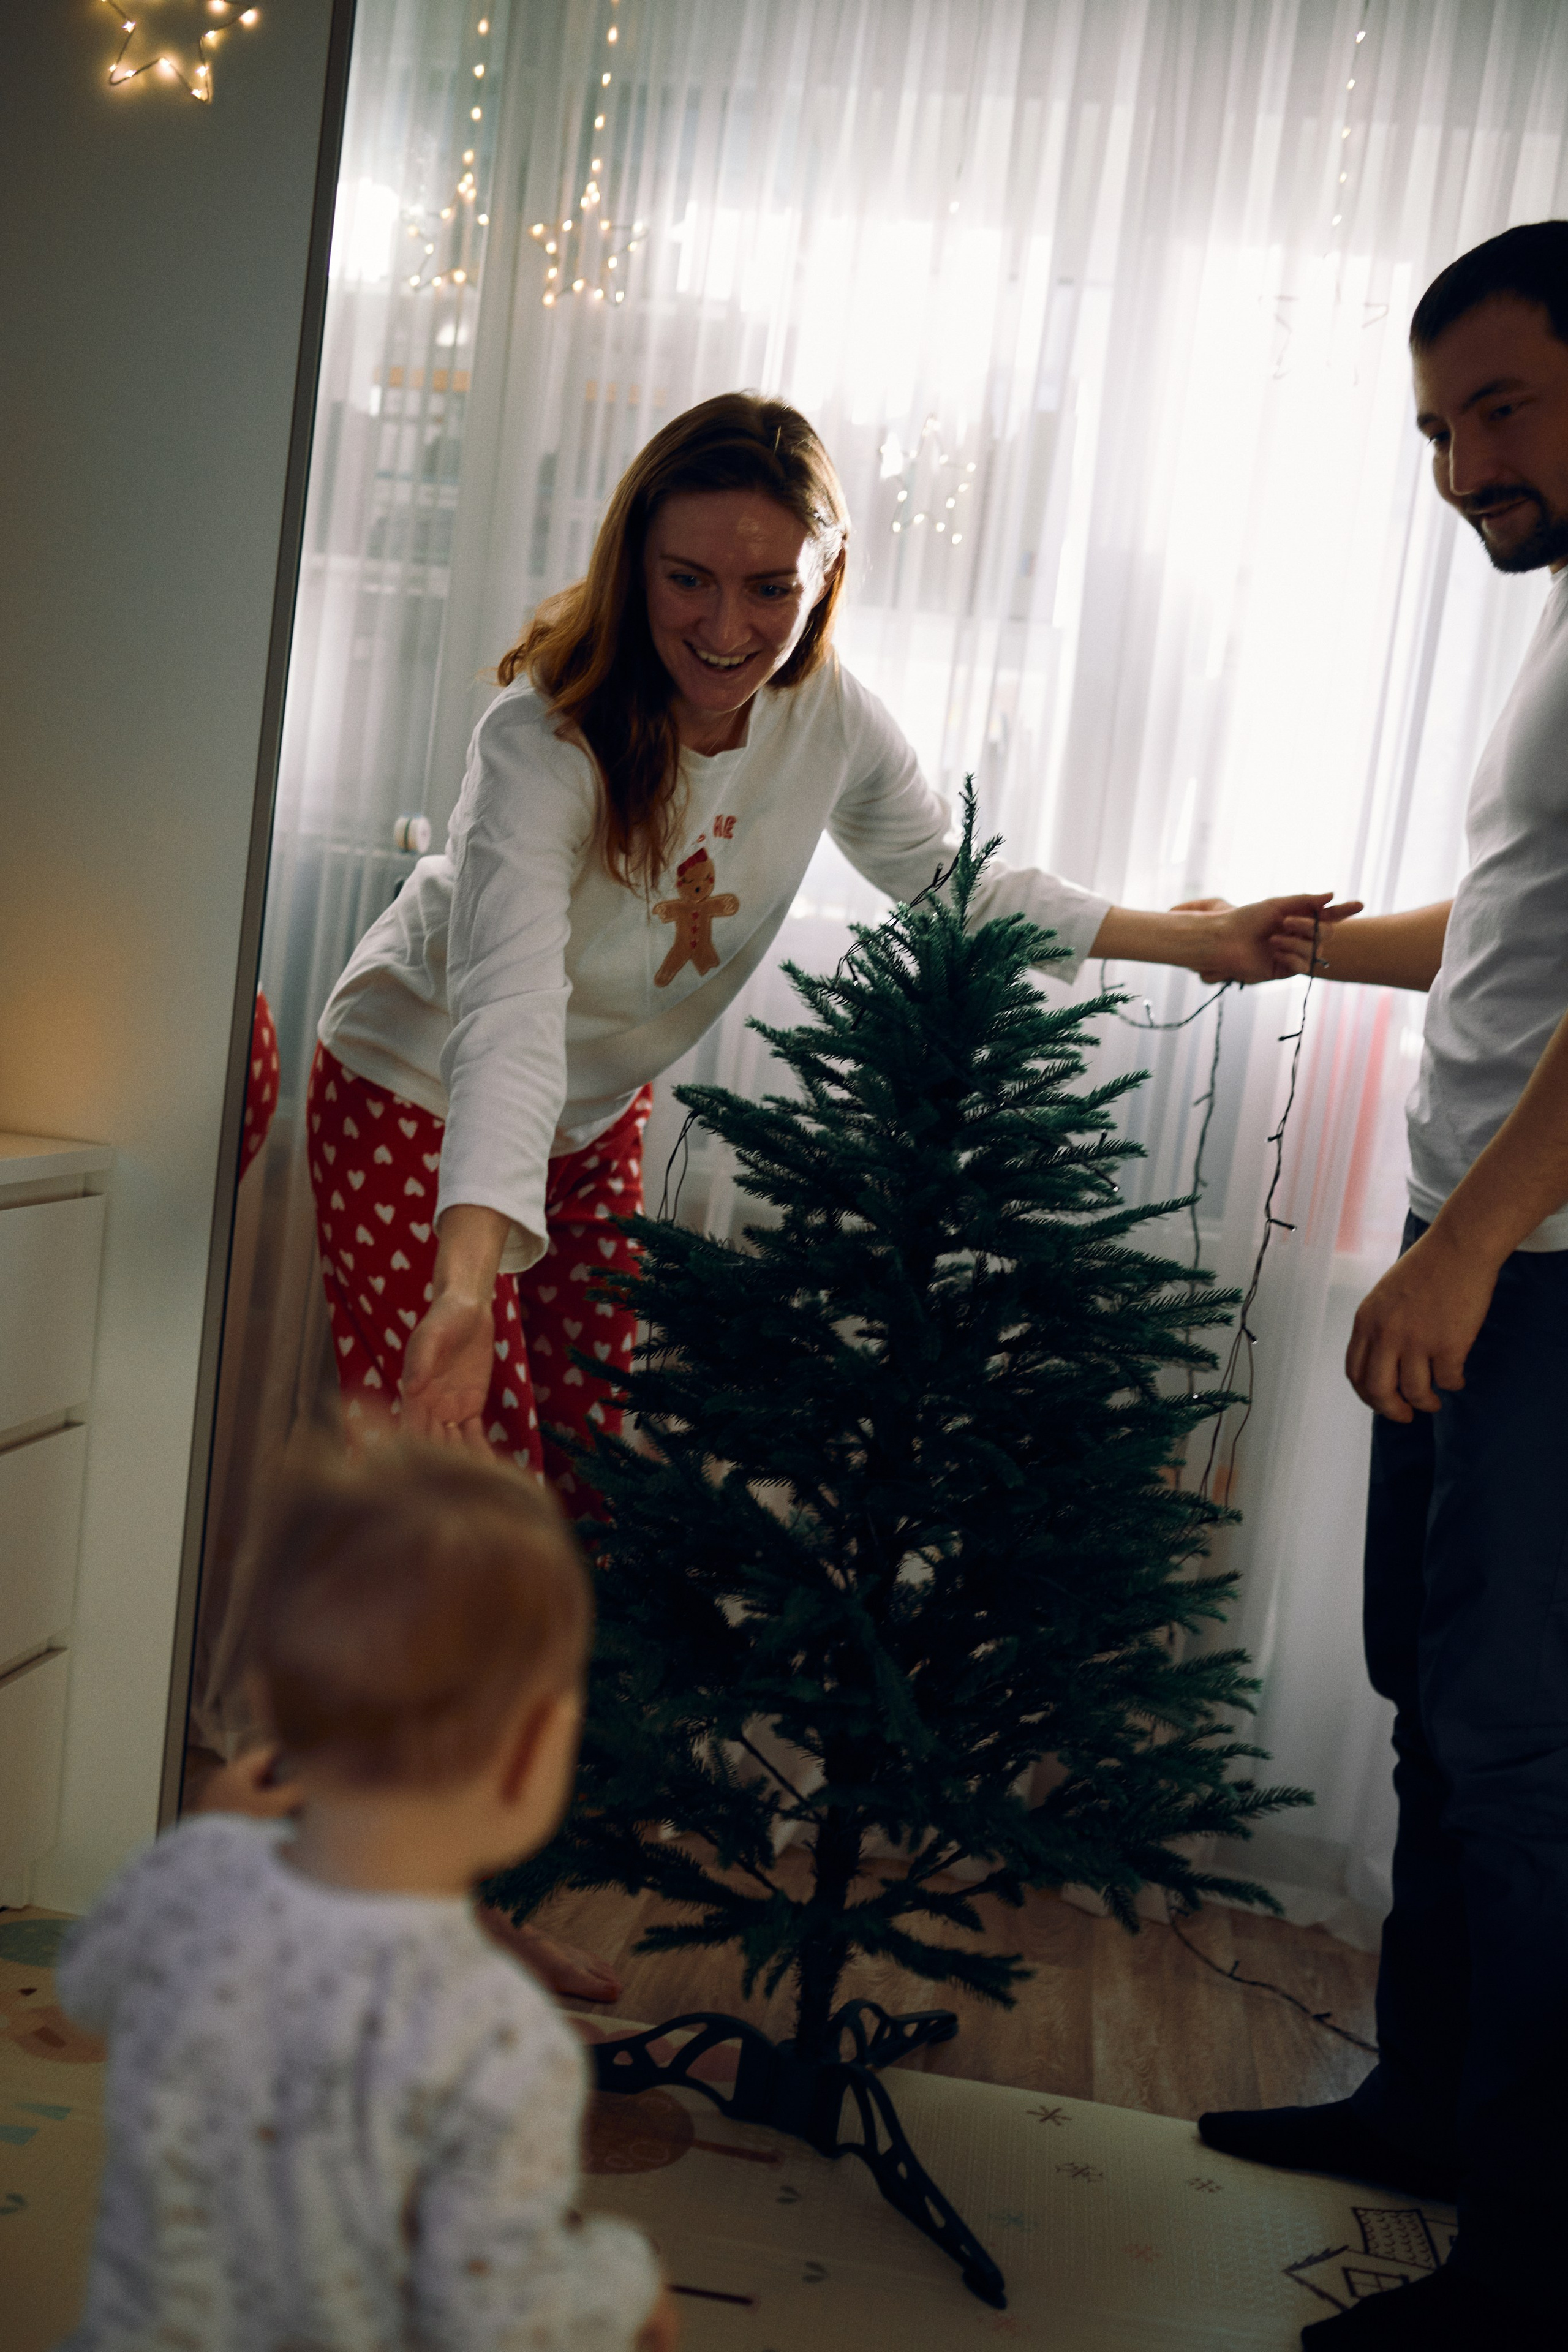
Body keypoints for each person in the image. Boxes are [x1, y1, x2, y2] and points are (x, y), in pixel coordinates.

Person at [308, 389, 1357, 1997]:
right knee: (459, 1509)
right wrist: (464, 1293)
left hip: (591, 1116)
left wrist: (1188, 932)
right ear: (631, 562)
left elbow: (959, 880)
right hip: (418, 1097)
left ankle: (453, 1897)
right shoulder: (544, 741)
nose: (727, 627)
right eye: (686, 581)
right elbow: (504, 1018)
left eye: (768, 586)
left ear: (824, 574)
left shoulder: (832, 720)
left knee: (577, 1499)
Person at [1200, 224, 1568, 2350]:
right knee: (1440, 1721)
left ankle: (1524, 2261)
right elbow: (1530, 929)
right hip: (1490, 1250)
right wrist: (1314, 945)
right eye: (1438, 429)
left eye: (1500, 409)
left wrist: (1472, 1240)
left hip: (1543, 1276)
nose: (1459, 471)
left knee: (1521, 1759)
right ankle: (1426, 2112)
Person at [56, 1442, 679, 2352]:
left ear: (267, 1707)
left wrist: (213, 1835)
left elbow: (85, 1984)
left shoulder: (186, 1884)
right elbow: (494, 2316)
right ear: (533, 1754)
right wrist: (624, 2285)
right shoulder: (503, 2035)